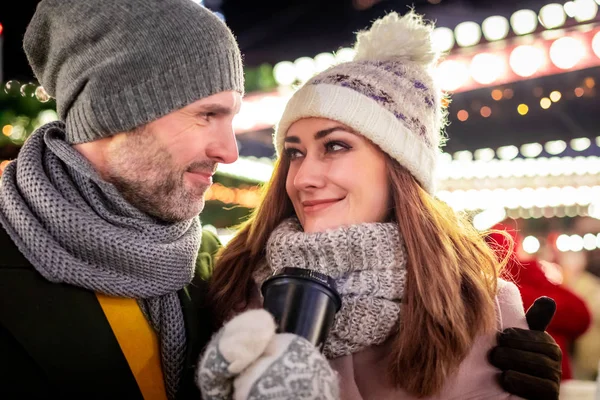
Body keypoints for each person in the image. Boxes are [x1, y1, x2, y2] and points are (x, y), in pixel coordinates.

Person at [197, 11, 563, 400]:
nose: (302, 178)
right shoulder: (231, 287)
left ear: (398, 167)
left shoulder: (482, 307)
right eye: (295, 153)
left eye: (334, 146)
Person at [0, 0, 243, 398]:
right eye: (206, 115)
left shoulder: (214, 264)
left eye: (231, 117)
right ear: (114, 110)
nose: (228, 151)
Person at [486, 223, 591, 381]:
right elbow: (582, 318)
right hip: (549, 380)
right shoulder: (533, 286)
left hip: (498, 384)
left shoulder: (480, 291)